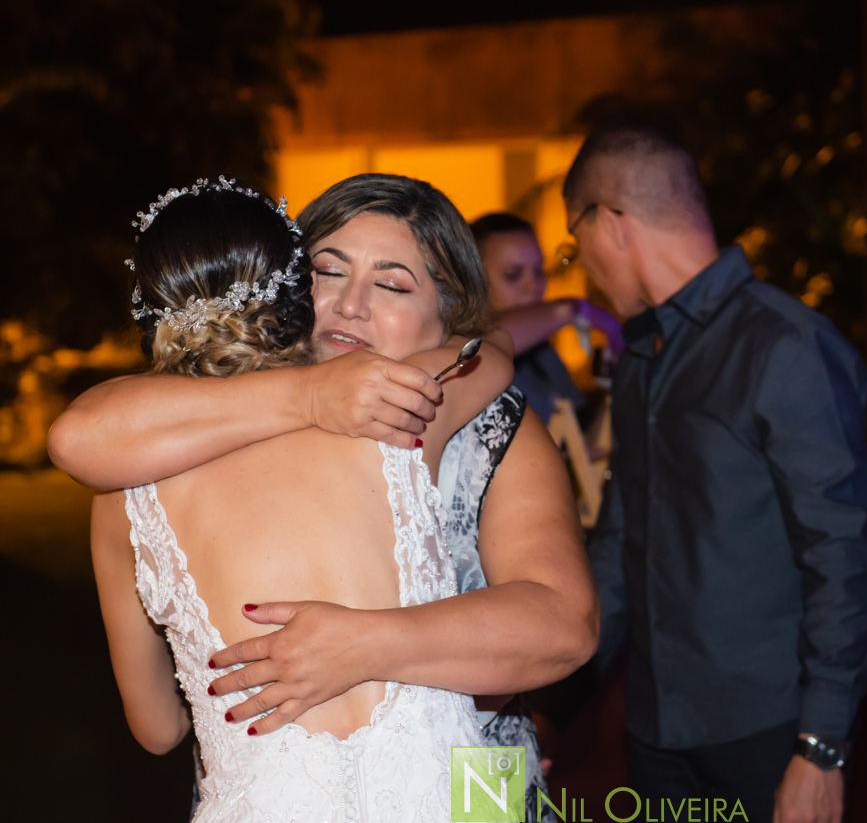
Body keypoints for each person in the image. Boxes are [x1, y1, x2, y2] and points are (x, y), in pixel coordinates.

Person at [52, 175, 599, 822]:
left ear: (449, 319)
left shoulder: (491, 419)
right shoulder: (180, 429)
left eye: (393, 284)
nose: (349, 304)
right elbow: (84, 432)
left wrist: (365, 644)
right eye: (326, 271)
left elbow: (565, 626)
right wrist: (308, 396)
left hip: (475, 775)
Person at [569, 120, 867, 823]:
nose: (579, 262)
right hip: (654, 733)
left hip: (768, 735)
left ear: (612, 223)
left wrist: (821, 747)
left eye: (574, 238)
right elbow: (620, 548)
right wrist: (549, 690)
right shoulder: (641, 359)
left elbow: (844, 558)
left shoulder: (783, 345)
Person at [471, 211, 623, 424]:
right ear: (472, 283)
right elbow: (483, 342)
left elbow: (582, 437)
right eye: (513, 274)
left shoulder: (544, 354)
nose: (534, 285)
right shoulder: (458, 352)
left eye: (539, 271)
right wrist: (577, 309)